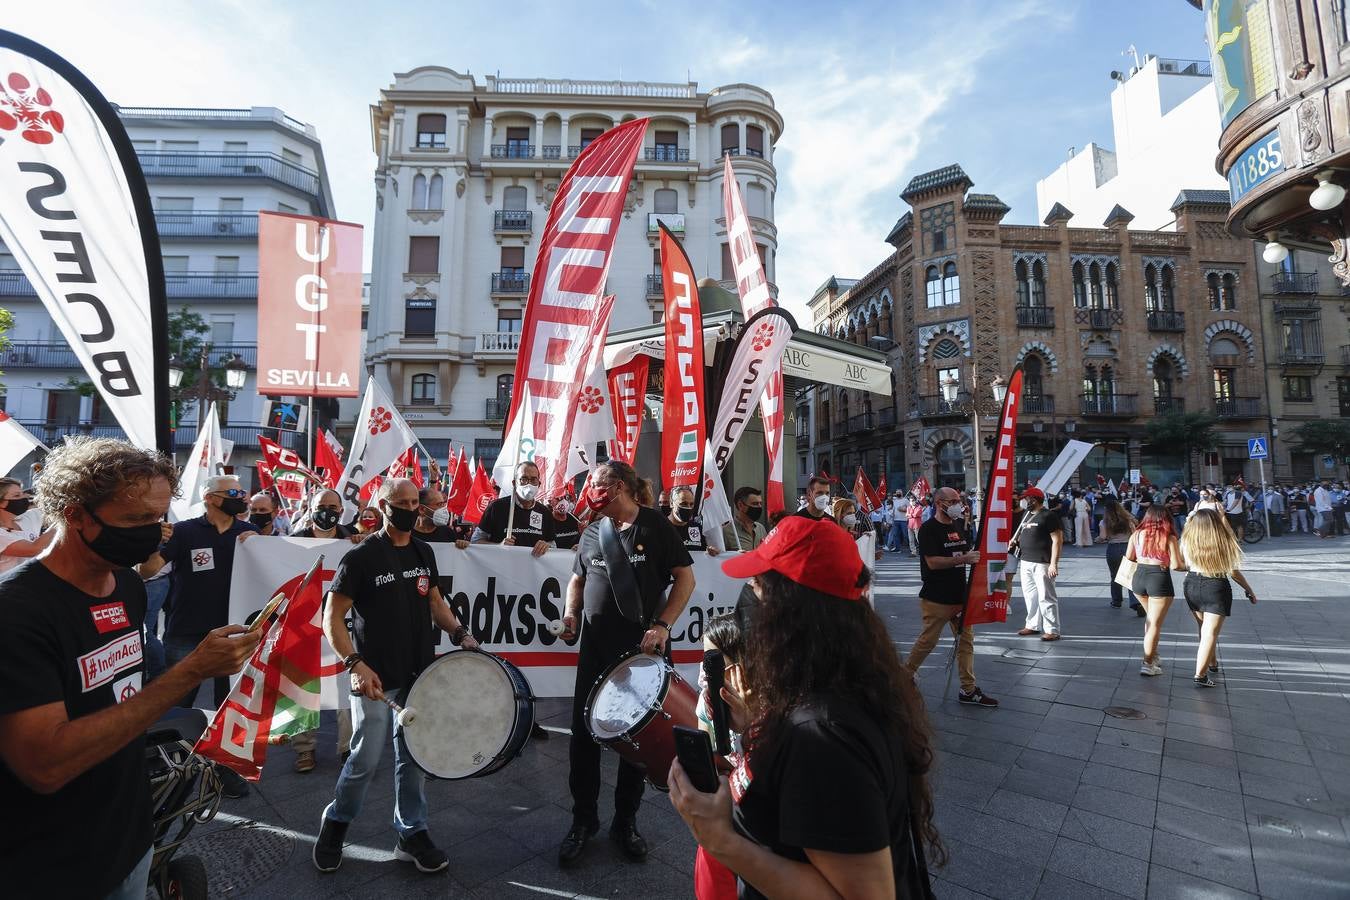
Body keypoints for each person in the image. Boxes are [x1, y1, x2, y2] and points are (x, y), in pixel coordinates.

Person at [0, 437, 259, 899]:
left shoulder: (126, 584)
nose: (153, 532)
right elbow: (45, 764)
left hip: (132, 835)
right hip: (50, 861)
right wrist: (189, 672)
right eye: (136, 519)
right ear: (74, 513)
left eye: (159, 518)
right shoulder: (18, 613)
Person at [670, 517, 944, 899]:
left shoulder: (822, 734)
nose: (747, 594)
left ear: (788, 613)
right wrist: (756, 728)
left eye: (758, 586)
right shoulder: (837, 688)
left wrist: (720, 840)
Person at [313, 478, 479, 875]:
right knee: (365, 759)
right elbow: (331, 617)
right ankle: (336, 823)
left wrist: (459, 633)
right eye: (400, 502)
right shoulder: (363, 556)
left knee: (414, 759)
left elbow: (435, 602)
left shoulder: (423, 551)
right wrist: (355, 663)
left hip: (418, 675)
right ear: (383, 506)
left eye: (413, 502)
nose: (409, 508)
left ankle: (411, 831)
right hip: (373, 677)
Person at [558, 461, 695, 867]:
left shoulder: (655, 526)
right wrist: (570, 616)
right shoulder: (591, 530)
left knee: (638, 738)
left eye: (597, 486)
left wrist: (662, 625)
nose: (591, 493)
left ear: (618, 487)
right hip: (595, 652)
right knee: (583, 739)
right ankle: (583, 820)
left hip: (642, 653)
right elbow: (577, 580)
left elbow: (685, 579)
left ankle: (625, 822)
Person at [139, 475, 258, 712]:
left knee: (228, 706)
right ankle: (179, 749)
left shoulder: (250, 532)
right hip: (186, 630)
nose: (241, 498)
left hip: (232, 630)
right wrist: (154, 543)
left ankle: (218, 750)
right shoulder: (183, 531)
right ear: (210, 499)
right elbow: (146, 571)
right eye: (233, 494)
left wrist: (261, 546)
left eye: (241, 492)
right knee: (177, 702)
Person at [904, 487, 998, 707]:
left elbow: (966, 555)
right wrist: (964, 559)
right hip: (936, 598)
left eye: (959, 499)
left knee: (966, 643)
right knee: (927, 641)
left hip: (960, 596)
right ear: (939, 503)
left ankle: (968, 689)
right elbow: (932, 562)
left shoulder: (958, 525)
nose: (959, 503)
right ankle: (904, 676)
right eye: (953, 500)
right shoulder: (928, 529)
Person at [1180, 509, 1257, 687]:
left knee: (1203, 628)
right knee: (1210, 632)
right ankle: (1200, 674)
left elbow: (1181, 563)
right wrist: (1249, 590)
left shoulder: (1186, 539)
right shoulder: (1223, 541)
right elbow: (1234, 572)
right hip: (1215, 585)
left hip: (1191, 583)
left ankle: (1212, 662)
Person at [1127, 504, 1185, 677]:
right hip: (1158, 579)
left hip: (1138, 579)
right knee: (1154, 625)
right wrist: (1188, 566)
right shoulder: (1168, 536)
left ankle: (1154, 655)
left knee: (1150, 621)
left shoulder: (1136, 534)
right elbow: (1176, 565)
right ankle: (1147, 663)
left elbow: (1129, 558)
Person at [464, 461, 554, 555]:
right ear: (514, 483)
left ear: (539, 483)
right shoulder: (496, 507)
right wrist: (498, 546)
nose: (529, 484)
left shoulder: (545, 512)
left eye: (533, 480)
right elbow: (475, 540)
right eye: (524, 479)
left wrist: (547, 546)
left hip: (532, 569)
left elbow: (553, 544)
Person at [1009, 487, 1063, 641]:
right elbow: (1023, 533)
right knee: (1030, 595)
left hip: (1042, 562)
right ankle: (1032, 625)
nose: (1025, 501)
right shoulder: (1026, 514)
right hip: (1025, 560)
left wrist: (1054, 563)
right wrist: (1015, 541)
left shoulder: (1049, 516)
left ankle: (1052, 629)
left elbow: (1057, 540)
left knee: (1046, 596)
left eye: (1027, 499)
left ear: (1034, 499)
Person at [1099, 496, 1144, 616]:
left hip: (1113, 549)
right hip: (1127, 547)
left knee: (1115, 576)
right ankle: (1136, 602)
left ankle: (1116, 601)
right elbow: (1135, 533)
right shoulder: (1128, 519)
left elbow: (1103, 537)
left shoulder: (1104, 522)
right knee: (1130, 576)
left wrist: (1098, 539)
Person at [0, 478, 54, 574]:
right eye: (17, 495)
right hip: (11, 587)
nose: (23, 498)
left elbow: (55, 509)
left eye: (22, 494)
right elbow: (34, 549)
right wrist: (60, 523)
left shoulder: (26, 518)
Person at [669, 485, 720, 556]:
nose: (688, 507)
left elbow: (704, 552)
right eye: (684, 504)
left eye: (691, 504)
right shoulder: (661, 528)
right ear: (672, 503)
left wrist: (711, 552)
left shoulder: (697, 528)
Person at [721, 486, 767, 552]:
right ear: (740, 505)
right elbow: (719, 557)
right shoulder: (726, 531)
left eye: (760, 503)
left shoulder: (761, 528)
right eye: (755, 504)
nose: (759, 507)